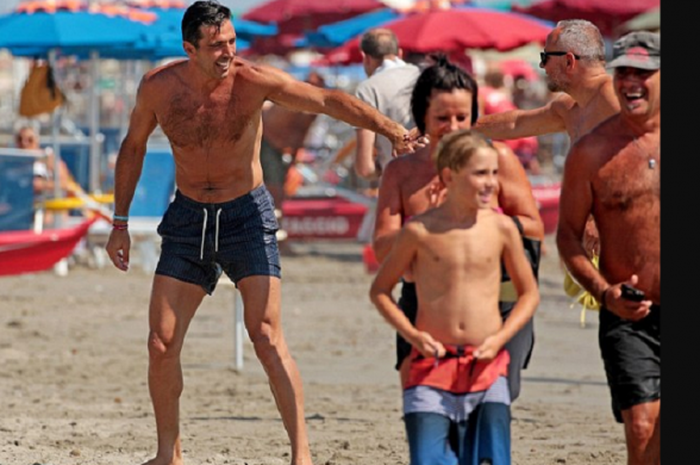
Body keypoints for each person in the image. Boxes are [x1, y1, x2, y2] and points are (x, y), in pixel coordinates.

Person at [104, 2, 421, 465]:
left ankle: (301, 453)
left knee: (266, 335)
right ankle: (167, 453)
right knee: (160, 343)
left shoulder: (252, 81)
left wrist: (391, 128)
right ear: (189, 48)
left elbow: (327, 102)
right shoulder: (158, 88)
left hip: (246, 216)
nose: (227, 52)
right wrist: (119, 223)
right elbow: (132, 147)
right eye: (216, 46)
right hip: (189, 217)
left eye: (231, 42)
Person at [373, 55, 543, 404]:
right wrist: (430, 223)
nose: (453, 127)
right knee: (427, 409)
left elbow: (534, 228)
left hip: (496, 302)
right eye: (441, 118)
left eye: (462, 117)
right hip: (424, 304)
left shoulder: (499, 161)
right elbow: (382, 248)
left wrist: (476, 216)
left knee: (491, 405)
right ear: (422, 117)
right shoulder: (402, 173)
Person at [370, 129, 540, 464]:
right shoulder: (418, 230)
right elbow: (380, 290)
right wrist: (414, 336)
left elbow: (529, 294)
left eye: (494, 173)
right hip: (431, 366)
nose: (492, 183)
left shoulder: (502, 229)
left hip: (487, 367)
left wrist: (500, 339)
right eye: (481, 174)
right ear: (449, 176)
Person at [556, 31, 660, 465]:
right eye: (623, 72)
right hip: (628, 313)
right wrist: (603, 293)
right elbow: (567, 234)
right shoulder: (591, 152)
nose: (631, 82)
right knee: (641, 429)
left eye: (644, 72)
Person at [474, 19, 619, 254]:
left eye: (545, 58)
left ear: (569, 61)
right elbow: (515, 123)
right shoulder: (569, 107)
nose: (542, 67)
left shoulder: (614, 98)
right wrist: (454, 126)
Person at [353, 28, 422, 180]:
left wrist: (381, 168)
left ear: (365, 58)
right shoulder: (427, 76)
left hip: (400, 183)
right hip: (440, 181)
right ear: (400, 53)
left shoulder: (367, 89)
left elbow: (365, 167)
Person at [260, 70, 326, 210]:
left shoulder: (309, 107)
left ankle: (273, 214)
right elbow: (299, 132)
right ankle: (272, 214)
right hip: (265, 136)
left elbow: (301, 133)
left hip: (274, 141)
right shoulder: (295, 96)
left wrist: (294, 157)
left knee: (276, 183)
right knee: (272, 183)